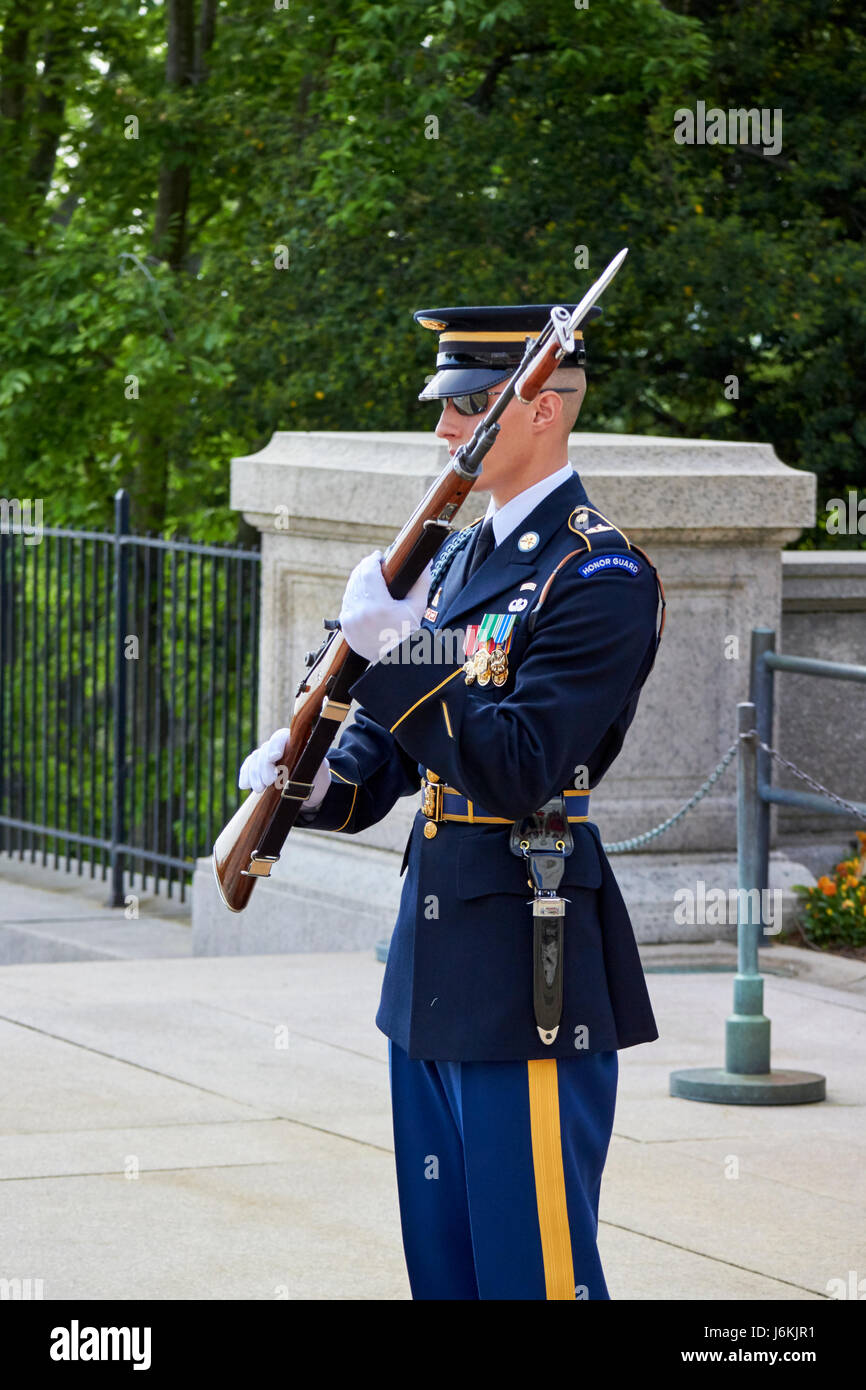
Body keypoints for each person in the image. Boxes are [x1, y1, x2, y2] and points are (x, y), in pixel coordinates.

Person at [238, 302, 666, 1300]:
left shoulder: (595, 572)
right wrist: (300, 774)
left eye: (469, 406)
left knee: (534, 1276)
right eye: (445, 407)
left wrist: (396, 656)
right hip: (429, 962)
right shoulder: (460, 554)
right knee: (447, 1270)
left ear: (544, 411)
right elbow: (385, 768)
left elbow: (517, 765)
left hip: (526, 963)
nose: (444, 432)